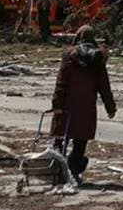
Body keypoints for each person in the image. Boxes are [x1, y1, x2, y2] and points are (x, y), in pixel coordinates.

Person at [49, 26, 116, 178]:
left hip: (66, 105)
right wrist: (110, 107)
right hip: (86, 107)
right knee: (80, 142)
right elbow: (104, 86)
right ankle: (74, 170)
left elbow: (61, 82)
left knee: (60, 139)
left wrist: (57, 104)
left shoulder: (69, 54)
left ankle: (57, 170)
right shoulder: (98, 58)